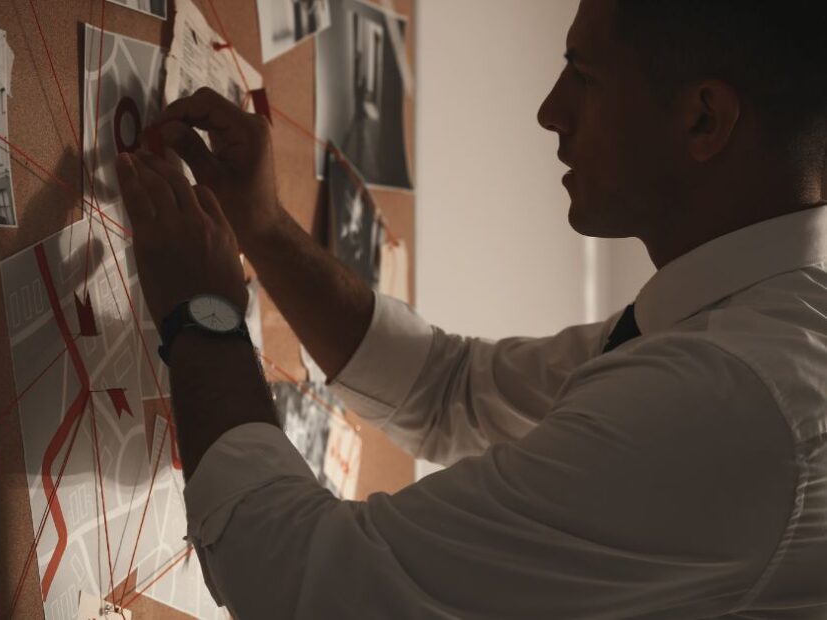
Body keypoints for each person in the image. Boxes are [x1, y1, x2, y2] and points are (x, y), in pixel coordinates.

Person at [115, 0, 827, 617]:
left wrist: (202, 314)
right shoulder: (747, 315)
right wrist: (266, 232)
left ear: (705, 119)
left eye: (584, 75)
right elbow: (451, 390)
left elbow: (310, 587)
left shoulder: (731, 399)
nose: (551, 111)